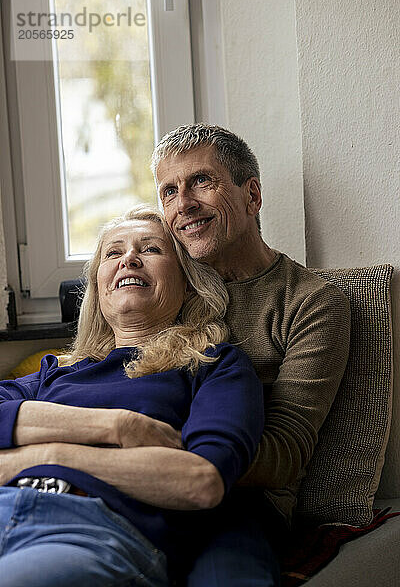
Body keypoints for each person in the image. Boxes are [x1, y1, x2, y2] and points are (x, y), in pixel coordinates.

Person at [0, 205, 265, 587]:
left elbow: (200, 481)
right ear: (98, 288)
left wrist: (48, 454)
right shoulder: (55, 372)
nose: (129, 259)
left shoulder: (214, 366)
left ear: (187, 283)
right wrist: (117, 426)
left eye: (152, 249)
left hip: (90, 532)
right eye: (113, 252)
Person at [151, 123, 352, 586]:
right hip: (134, 482)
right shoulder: (164, 287)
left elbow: (285, 453)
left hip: (242, 505)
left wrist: (153, 448)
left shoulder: (311, 301)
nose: (183, 204)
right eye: (169, 191)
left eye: (202, 181)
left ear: (252, 195)